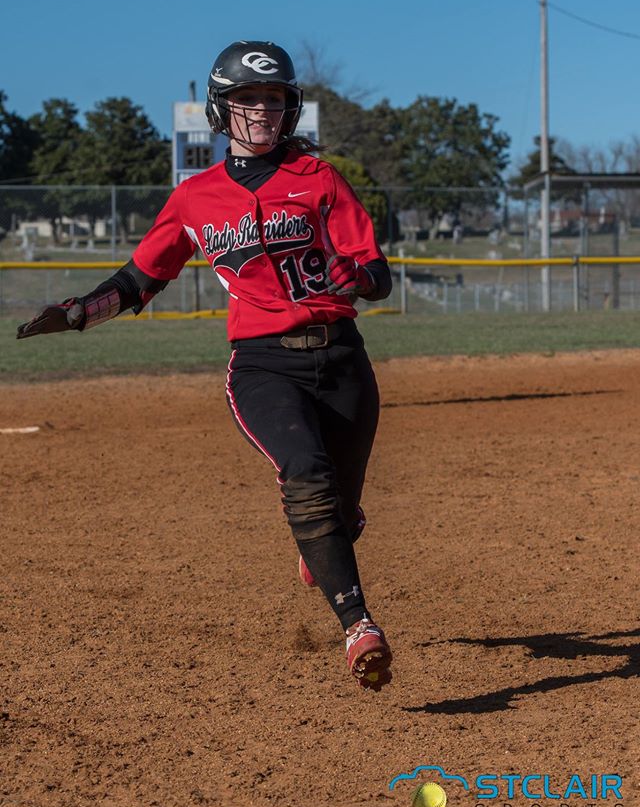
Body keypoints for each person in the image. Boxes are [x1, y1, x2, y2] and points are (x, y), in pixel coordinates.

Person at [16, 40, 393, 691]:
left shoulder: (319, 179)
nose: (262, 110)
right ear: (222, 110)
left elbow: (378, 275)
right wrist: (81, 313)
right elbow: (140, 278)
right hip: (262, 367)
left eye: (273, 98)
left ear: (290, 107)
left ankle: (325, 543)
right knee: (304, 475)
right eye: (248, 99)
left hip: (343, 361)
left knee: (340, 508)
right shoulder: (196, 198)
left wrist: (354, 275)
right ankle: (359, 627)